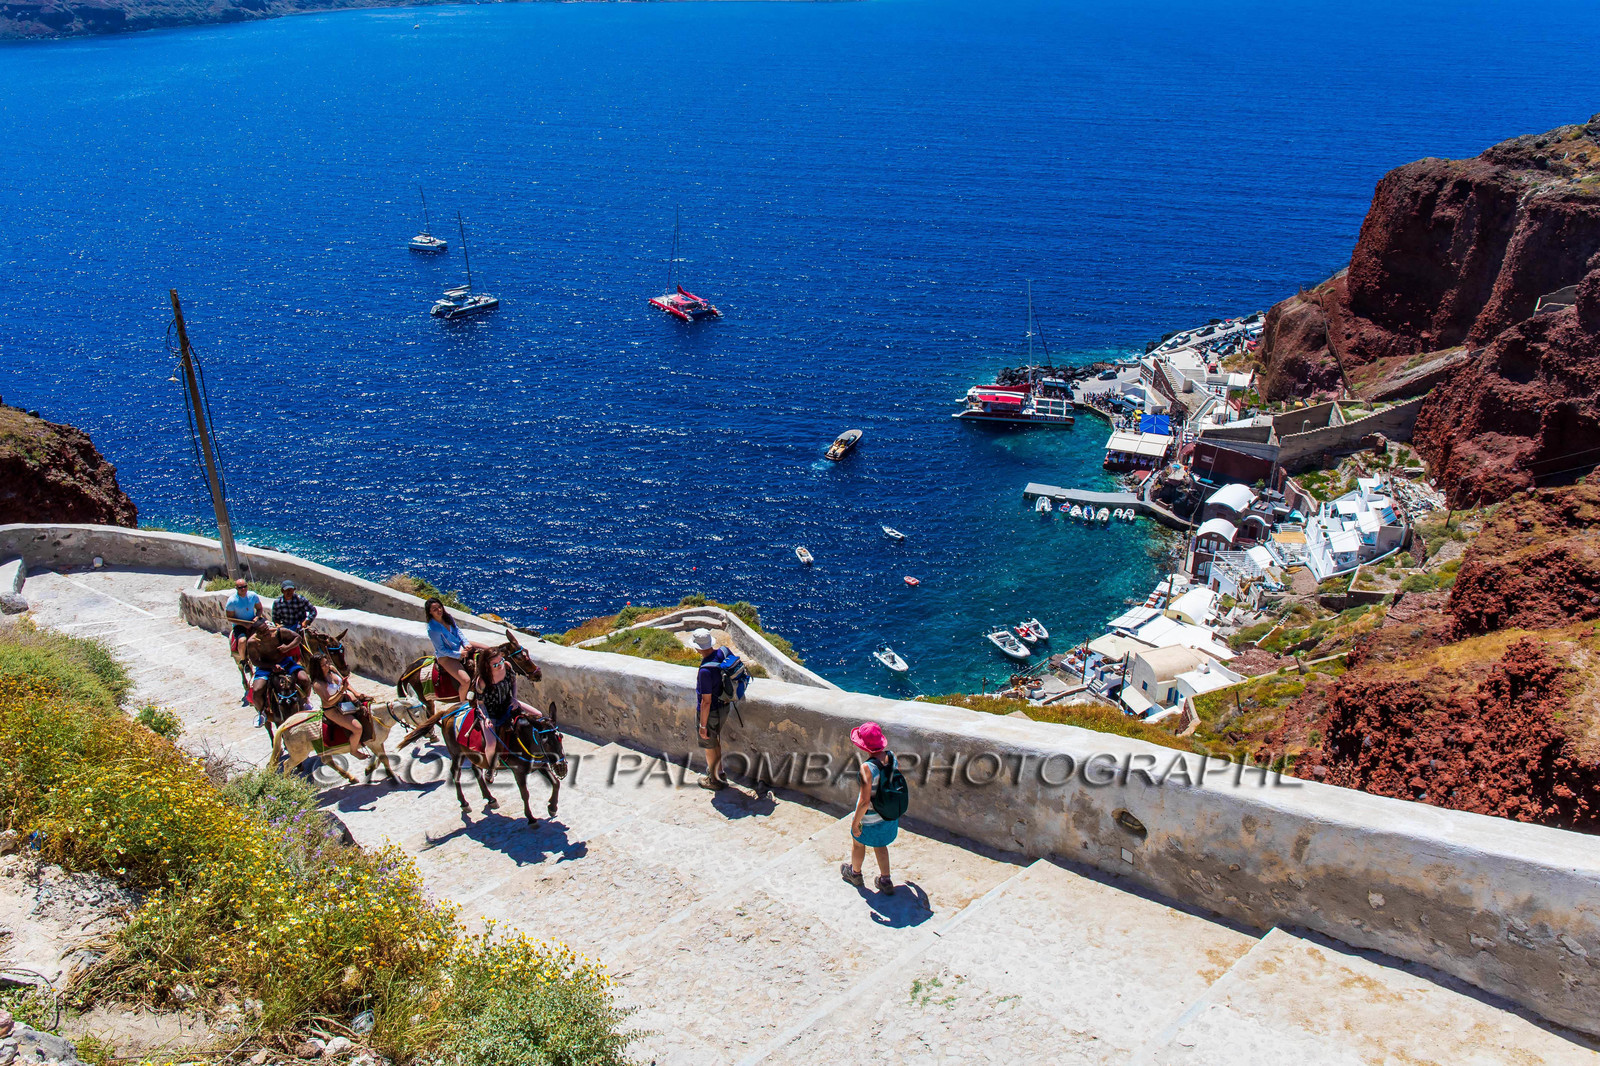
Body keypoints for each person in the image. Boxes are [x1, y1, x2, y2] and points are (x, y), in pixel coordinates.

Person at [841, 721, 898, 895]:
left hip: (870, 818)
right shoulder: (892, 757)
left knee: (858, 844)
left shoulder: (867, 768)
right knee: (881, 846)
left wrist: (855, 823)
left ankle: (855, 873)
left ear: (865, 747)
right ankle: (885, 880)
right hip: (887, 814)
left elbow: (864, 801)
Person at [473, 646, 546, 774]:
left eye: (500, 661)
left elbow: (513, 683)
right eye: (495, 665)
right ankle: (490, 768)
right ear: (487, 665)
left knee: (538, 715)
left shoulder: (507, 666)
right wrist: (486, 718)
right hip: (491, 711)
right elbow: (480, 703)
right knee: (491, 744)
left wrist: (514, 698)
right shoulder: (483, 680)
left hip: (507, 703)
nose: (499, 665)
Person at [425, 597, 488, 703]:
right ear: (430, 612)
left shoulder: (447, 617)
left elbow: (458, 632)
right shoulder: (432, 629)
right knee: (465, 681)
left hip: (459, 647)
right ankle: (463, 705)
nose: (439, 610)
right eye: (435, 609)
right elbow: (441, 650)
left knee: (488, 649)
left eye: (440, 607)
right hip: (446, 656)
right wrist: (459, 654)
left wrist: (466, 644)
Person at [244, 618, 311, 717]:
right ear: (256, 633)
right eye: (262, 632)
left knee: (305, 679)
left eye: (266, 630)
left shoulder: (279, 632)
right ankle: (262, 713)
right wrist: (271, 666)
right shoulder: (252, 642)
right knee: (257, 690)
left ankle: (305, 701)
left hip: (286, 662)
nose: (266, 634)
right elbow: (255, 661)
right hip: (265, 668)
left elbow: (298, 638)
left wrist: (287, 647)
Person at [307, 654, 369, 759]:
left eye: (327, 662)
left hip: (344, 699)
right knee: (357, 728)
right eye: (323, 665)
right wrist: (341, 691)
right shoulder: (318, 684)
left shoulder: (332, 669)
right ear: (317, 668)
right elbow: (328, 701)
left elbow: (345, 683)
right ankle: (354, 751)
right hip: (332, 709)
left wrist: (356, 693)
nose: (327, 665)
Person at [692, 628, 730, 791]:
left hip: (711, 711)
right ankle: (720, 773)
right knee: (715, 741)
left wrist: (702, 725)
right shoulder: (723, 652)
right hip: (724, 707)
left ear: (698, 648)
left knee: (708, 744)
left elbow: (706, 701)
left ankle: (714, 780)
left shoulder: (705, 671)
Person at [224, 578, 266, 705]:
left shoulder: (253, 596)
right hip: (240, 625)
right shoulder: (232, 601)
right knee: (242, 640)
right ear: (236, 589)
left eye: (245, 587)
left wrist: (256, 618)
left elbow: (259, 609)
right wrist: (243, 623)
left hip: (252, 622)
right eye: (240, 587)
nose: (243, 589)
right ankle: (244, 661)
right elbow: (230, 618)